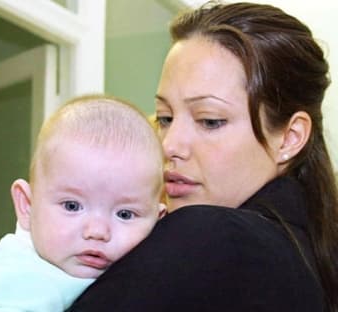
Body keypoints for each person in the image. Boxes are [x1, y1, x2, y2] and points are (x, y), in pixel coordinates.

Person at [67, 2, 338, 312]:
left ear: (290, 137)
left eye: (210, 120)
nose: (169, 145)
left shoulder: (214, 237)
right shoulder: (309, 261)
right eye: (165, 117)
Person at [0, 95, 167, 311]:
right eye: (72, 206)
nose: (98, 231)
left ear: (158, 223)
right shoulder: (17, 278)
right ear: (27, 205)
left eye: (125, 214)